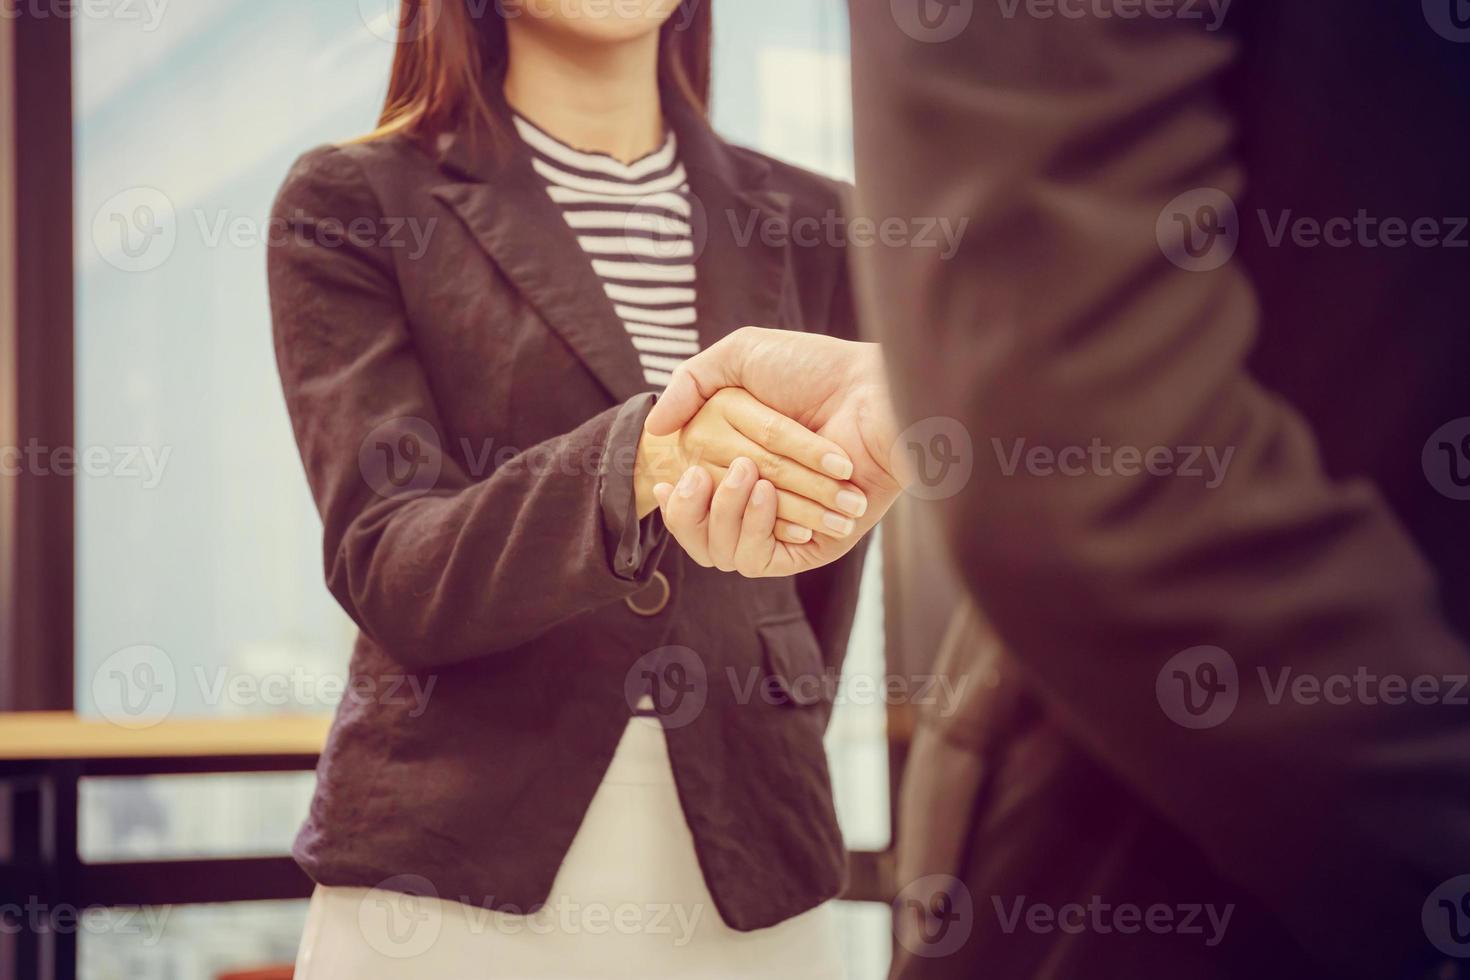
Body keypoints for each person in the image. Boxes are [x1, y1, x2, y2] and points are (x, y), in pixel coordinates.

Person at [644, 3, 1470, 976]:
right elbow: (1071, 421)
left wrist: (922, 403)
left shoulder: (802, 205)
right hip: (1213, 851)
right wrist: (633, 462)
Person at [266, 1, 877, 975]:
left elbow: (821, 561)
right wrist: (643, 456)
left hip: (751, 845)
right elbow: (389, 559)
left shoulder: (819, 222)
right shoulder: (356, 199)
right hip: (450, 858)